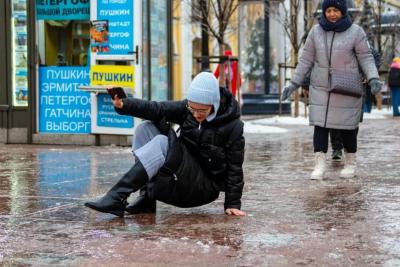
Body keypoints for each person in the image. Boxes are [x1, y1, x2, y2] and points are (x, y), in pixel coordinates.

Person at [85, 72, 246, 217]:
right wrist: (124, 104)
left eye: (202, 111)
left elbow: (235, 167)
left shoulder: (233, 127)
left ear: (215, 104)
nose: (196, 114)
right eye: (192, 108)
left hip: (202, 187)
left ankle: (117, 196)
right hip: (182, 170)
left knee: (162, 143)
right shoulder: (186, 109)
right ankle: (146, 199)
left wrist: (232, 203)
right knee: (144, 128)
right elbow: (157, 108)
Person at [281, 0, 382, 179]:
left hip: (347, 87)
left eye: (336, 10)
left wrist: (373, 78)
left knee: (348, 128)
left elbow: (366, 57)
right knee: (320, 127)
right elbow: (305, 60)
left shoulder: (355, 32)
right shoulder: (316, 32)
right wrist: (294, 83)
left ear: (342, 11)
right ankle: (319, 166)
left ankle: (350, 162)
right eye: (329, 10)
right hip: (321, 88)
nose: (332, 14)